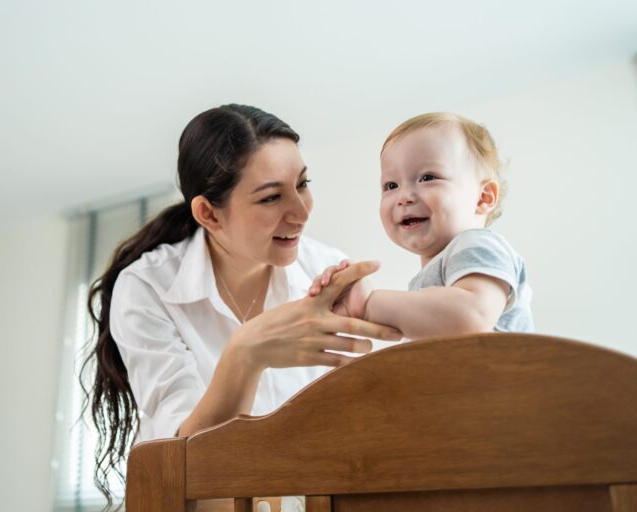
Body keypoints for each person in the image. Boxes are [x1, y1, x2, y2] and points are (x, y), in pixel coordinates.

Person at [83, 104, 400, 507]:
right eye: (271, 197)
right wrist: (245, 353)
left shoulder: (323, 270)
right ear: (208, 214)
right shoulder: (147, 287)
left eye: (303, 184)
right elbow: (179, 458)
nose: (301, 212)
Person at [310, 112, 534, 337]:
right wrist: (348, 296)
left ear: (483, 198)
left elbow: (471, 318)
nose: (403, 196)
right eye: (391, 185)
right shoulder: (432, 280)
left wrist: (368, 303)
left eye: (427, 178)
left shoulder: (478, 244)